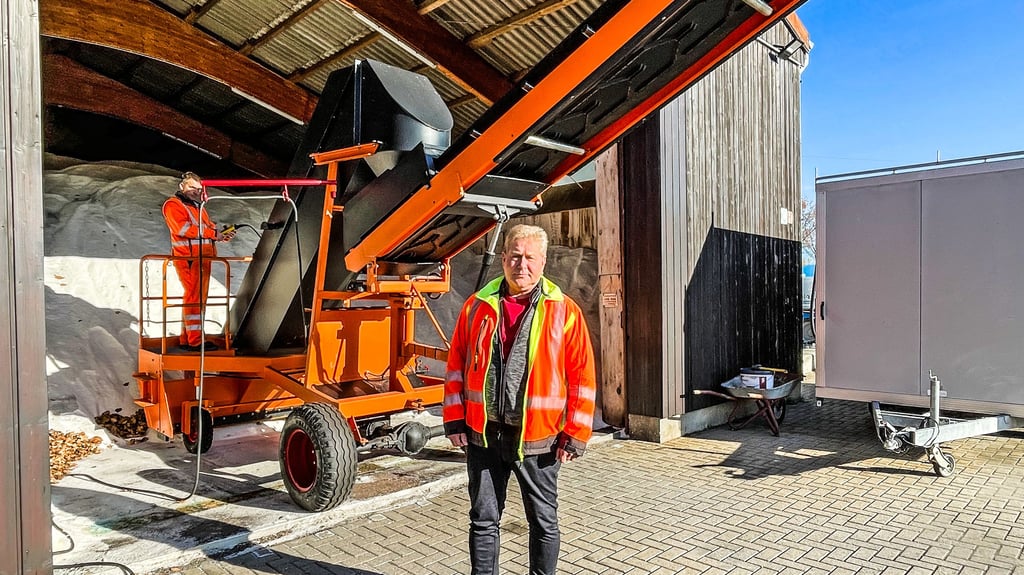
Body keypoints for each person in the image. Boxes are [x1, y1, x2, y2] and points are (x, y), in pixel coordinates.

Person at [443, 224, 597, 575]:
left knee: (543, 522)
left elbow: (583, 378)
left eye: (529, 258)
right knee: (483, 520)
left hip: (540, 441)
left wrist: (575, 434)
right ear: (503, 258)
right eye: (514, 256)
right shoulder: (475, 307)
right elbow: (456, 367)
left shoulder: (564, 311)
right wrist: (454, 419)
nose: (521, 265)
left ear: (543, 261)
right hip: (484, 435)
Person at [162, 172, 233, 352]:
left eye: (199, 189)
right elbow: (183, 229)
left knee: (197, 299)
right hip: (189, 259)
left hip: (202, 258)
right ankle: (195, 341)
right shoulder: (173, 205)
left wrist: (221, 235)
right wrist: (212, 233)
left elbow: (207, 230)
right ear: (182, 187)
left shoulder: (197, 207)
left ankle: (188, 339)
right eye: (192, 187)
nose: (196, 192)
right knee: (194, 298)